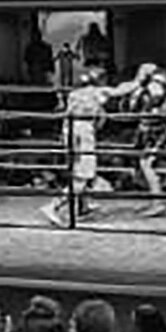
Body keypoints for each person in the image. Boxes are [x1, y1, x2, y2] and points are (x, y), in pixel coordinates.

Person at [42, 65, 113, 227]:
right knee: (84, 174)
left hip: (70, 131)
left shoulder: (74, 94)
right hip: (83, 132)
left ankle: (83, 207)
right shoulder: (98, 93)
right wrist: (139, 81)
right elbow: (117, 93)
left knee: (78, 170)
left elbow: (69, 116)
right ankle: (53, 206)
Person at [108, 61, 166, 215]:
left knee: (147, 164)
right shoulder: (153, 86)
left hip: (154, 129)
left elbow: (146, 106)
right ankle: (156, 199)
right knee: (144, 164)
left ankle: (157, 202)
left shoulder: (155, 87)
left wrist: (137, 96)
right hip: (149, 128)